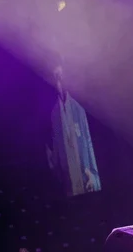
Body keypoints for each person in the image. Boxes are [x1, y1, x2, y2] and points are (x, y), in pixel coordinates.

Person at [46, 65, 101, 196]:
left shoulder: (79, 107)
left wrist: (94, 175)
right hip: (69, 181)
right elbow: (56, 148)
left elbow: (88, 141)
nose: (60, 82)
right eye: (57, 77)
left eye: (61, 77)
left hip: (86, 176)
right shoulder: (54, 113)